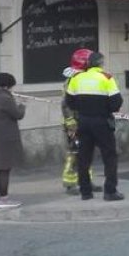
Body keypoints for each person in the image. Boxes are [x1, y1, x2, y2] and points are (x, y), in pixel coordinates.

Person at [64, 48, 124, 201]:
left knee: (84, 157)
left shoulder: (77, 78)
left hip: (83, 121)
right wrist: (106, 108)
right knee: (109, 156)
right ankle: (110, 191)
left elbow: (69, 101)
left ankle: (85, 192)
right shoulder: (107, 78)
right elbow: (116, 102)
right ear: (101, 64)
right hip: (102, 121)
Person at [0, 72, 25, 209]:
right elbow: (18, 115)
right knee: (4, 169)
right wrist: (22, 105)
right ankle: (4, 199)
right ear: (7, 85)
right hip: (5, 139)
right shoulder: (5, 99)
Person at [60, 55, 87, 194]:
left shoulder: (81, 78)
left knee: (86, 152)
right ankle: (70, 184)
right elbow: (66, 104)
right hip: (74, 123)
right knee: (73, 153)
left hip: (83, 120)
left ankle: (86, 181)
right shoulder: (72, 80)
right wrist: (70, 123)